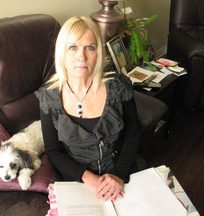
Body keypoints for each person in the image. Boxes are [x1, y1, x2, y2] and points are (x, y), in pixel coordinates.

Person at [35, 16, 140, 202]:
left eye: (90, 48)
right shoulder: (49, 98)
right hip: (78, 181)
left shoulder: (118, 87)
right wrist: (88, 178)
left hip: (120, 175)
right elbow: (53, 150)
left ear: (98, 52)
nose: (81, 57)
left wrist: (118, 174)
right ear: (62, 53)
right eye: (73, 47)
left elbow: (133, 133)